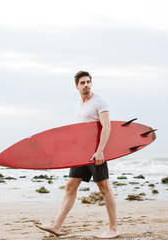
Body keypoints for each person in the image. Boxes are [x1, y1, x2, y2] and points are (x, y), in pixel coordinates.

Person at [36, 71, 119, 239]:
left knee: (104, 189)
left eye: (88, 82)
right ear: (77, 86)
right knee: (70, 187)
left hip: (96, 153)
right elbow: (80, 132)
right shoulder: (79, 104)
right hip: (80, 154)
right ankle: (57, 226)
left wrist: (100, 150)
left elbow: (106, 127)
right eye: (82, 83)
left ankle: (114, 228)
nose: (86, 85)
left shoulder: (100, 101)